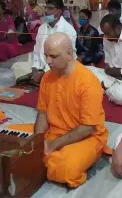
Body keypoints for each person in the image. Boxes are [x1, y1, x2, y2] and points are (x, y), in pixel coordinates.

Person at [7, 33, 110, 188]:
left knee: (64, 168)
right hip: (53, 131)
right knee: (8, 138)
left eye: (53, 56)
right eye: (46, 55)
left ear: (70, 54)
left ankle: (57, 159)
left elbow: (87, 128)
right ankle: (46, 159)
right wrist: (39, 141)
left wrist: (52, 145)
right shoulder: (47, 77)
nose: (48, 61)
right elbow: (42, 112)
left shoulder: (88, 82)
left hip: (87, 138)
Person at [13, 0, 77, 85]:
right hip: (41, 66)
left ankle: (42, 79)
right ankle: (39, 78)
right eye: (46, 8)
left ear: (59, 11)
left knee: (65, 74)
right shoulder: (42, 28)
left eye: (50, 8)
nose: (46, 11)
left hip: (59, 67)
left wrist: (45, 72)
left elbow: (66, 57)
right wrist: (35, 68)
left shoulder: (68, 30)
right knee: (17, 66)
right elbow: (37, 50)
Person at [87, 15, 122, 105]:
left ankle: (105, 86)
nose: (105, 37)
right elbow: (108, 62)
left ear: (117, 28)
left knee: (120, 96)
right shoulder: (107, 38)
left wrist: (121, 73)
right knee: (86, 71)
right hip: (113, 74)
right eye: (104, 34)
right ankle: (108, 86)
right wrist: (111, 70)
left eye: (108, 33)